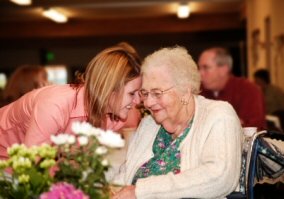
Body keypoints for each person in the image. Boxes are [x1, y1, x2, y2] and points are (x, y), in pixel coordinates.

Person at [112, 46, 242, 199]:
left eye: (157, 93)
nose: (148, 102)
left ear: (185, 92)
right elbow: (126, 173)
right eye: (145, 93)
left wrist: (141, 192)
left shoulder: (218, 115)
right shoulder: (148, 124)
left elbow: (219, 177)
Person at [0, 42, 142, 160]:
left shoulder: (113, 114)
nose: (137, 101)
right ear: (110, 89)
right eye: (132, 93)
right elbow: (33, 165)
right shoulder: (55, 105)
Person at [198, 47, 266, 129]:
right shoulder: (199, 91)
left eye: (206, 68)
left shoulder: (248, 90)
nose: (200, 73)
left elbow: (254, 128)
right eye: (199, 68)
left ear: (223, 69)